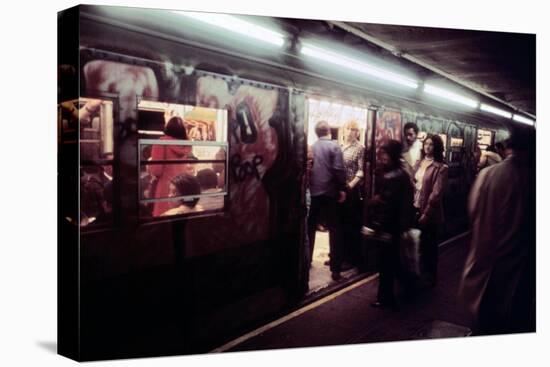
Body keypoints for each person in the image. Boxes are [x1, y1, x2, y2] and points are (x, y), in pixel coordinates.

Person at [459, 126, 535, 335]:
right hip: (518, 272)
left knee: (484, 323)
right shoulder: (533, 179)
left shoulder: (487, 175)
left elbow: (473, 212)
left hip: (482, 263)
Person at [369, 140, 414, 309]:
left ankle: (385, 298)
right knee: (393, 263)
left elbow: (388, 205)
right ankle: (405, 289)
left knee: (387, 265)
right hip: (395, 228)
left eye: (385, 154)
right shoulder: (400, 174)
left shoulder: (392, 176)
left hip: (389, 228)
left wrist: (379, 226)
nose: (382, 157)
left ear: (393, 155)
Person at [307, 121, 347, 281]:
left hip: (314, 193)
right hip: (330, 194)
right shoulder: (334, 147)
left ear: (316, 133)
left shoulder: (312, 147)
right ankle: (335, 269)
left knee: (310, 228)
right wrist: (343, 188)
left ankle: (307, 260)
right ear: (329, 131)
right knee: (335, 230)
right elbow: (338, 169)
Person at [413, 134, 448, 287]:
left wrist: (426, 214)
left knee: (430, 247)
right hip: (415, 207)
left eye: (431, 144)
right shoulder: (418, 163)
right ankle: (417, 274)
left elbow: (436, 194)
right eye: (426, 144)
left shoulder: (441, 168)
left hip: (430, 213)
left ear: (437, 147)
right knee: (417, 244)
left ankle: (430, 277)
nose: (427, 147)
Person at [149, 116, 193, 217]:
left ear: (167, 128)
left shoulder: (161, 142)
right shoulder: (186, 145)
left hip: (166, 189)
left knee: (163, 221)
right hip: (182, 188)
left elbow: (156, 171)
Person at [340, 120, 365, 268]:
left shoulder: (360, 148)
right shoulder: (340, 146)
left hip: (352, 191)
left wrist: (351, 185)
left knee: (349, 225)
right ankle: (338, 256)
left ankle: (349, 259)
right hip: (339, 189)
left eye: (354, 129)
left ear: (357, 132)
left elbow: (361, 171)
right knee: (339, 225)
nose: (350, 132)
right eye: (348, 128)